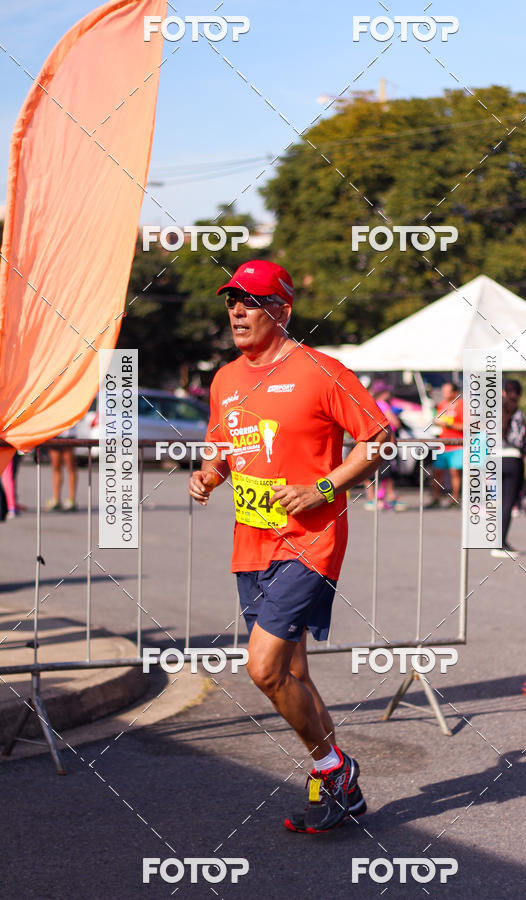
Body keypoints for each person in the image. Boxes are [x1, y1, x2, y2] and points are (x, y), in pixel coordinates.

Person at [189, 260, 389, 834]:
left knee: (263, 666)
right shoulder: (225, 380)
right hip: (251, 544)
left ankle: (334, 767)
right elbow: (221, 450)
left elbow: (378, 440)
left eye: (251, 301)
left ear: (282, 310)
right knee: (293, 669)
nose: (237, 311)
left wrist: (322, 488)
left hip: (310, 542)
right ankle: (342, 789)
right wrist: (209, 475)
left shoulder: (320, 371)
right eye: (232, 301)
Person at [492, 380, 526, 558]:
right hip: (512, 458)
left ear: (503, 392)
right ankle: (500, 543)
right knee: (508, 502)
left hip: (495, 458)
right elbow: (519, 440)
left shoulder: (493, 412)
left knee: (498, 501)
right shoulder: (518, 413)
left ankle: (496, 539)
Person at [363, 380, 406, 511]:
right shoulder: (383, 404)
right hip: (386, 443)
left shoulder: (370, 404)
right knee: (388, 472)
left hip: (373, 441)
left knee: (369, 470)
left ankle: (372, 499)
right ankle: (389, 497)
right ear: (384, 392)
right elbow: (396, 423)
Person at [429, 381, 463, 508]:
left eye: (447, 391)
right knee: (437, 473)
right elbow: (437, 420)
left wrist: (449, 424)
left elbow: (467, 426)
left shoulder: (462, 406)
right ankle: (436, 499)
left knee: (455, 473)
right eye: (443, 391)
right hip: (443, 445)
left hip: (457, 444)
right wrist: (436, 422)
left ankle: (455, 499)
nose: (444, 394)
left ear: (455, 392)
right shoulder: (442, 405)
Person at [46, 427, 78, 511]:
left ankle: (71, 499)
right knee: (56, 467)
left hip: (69, 435)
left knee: (71, 467)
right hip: (55, 433)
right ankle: (56, 499)